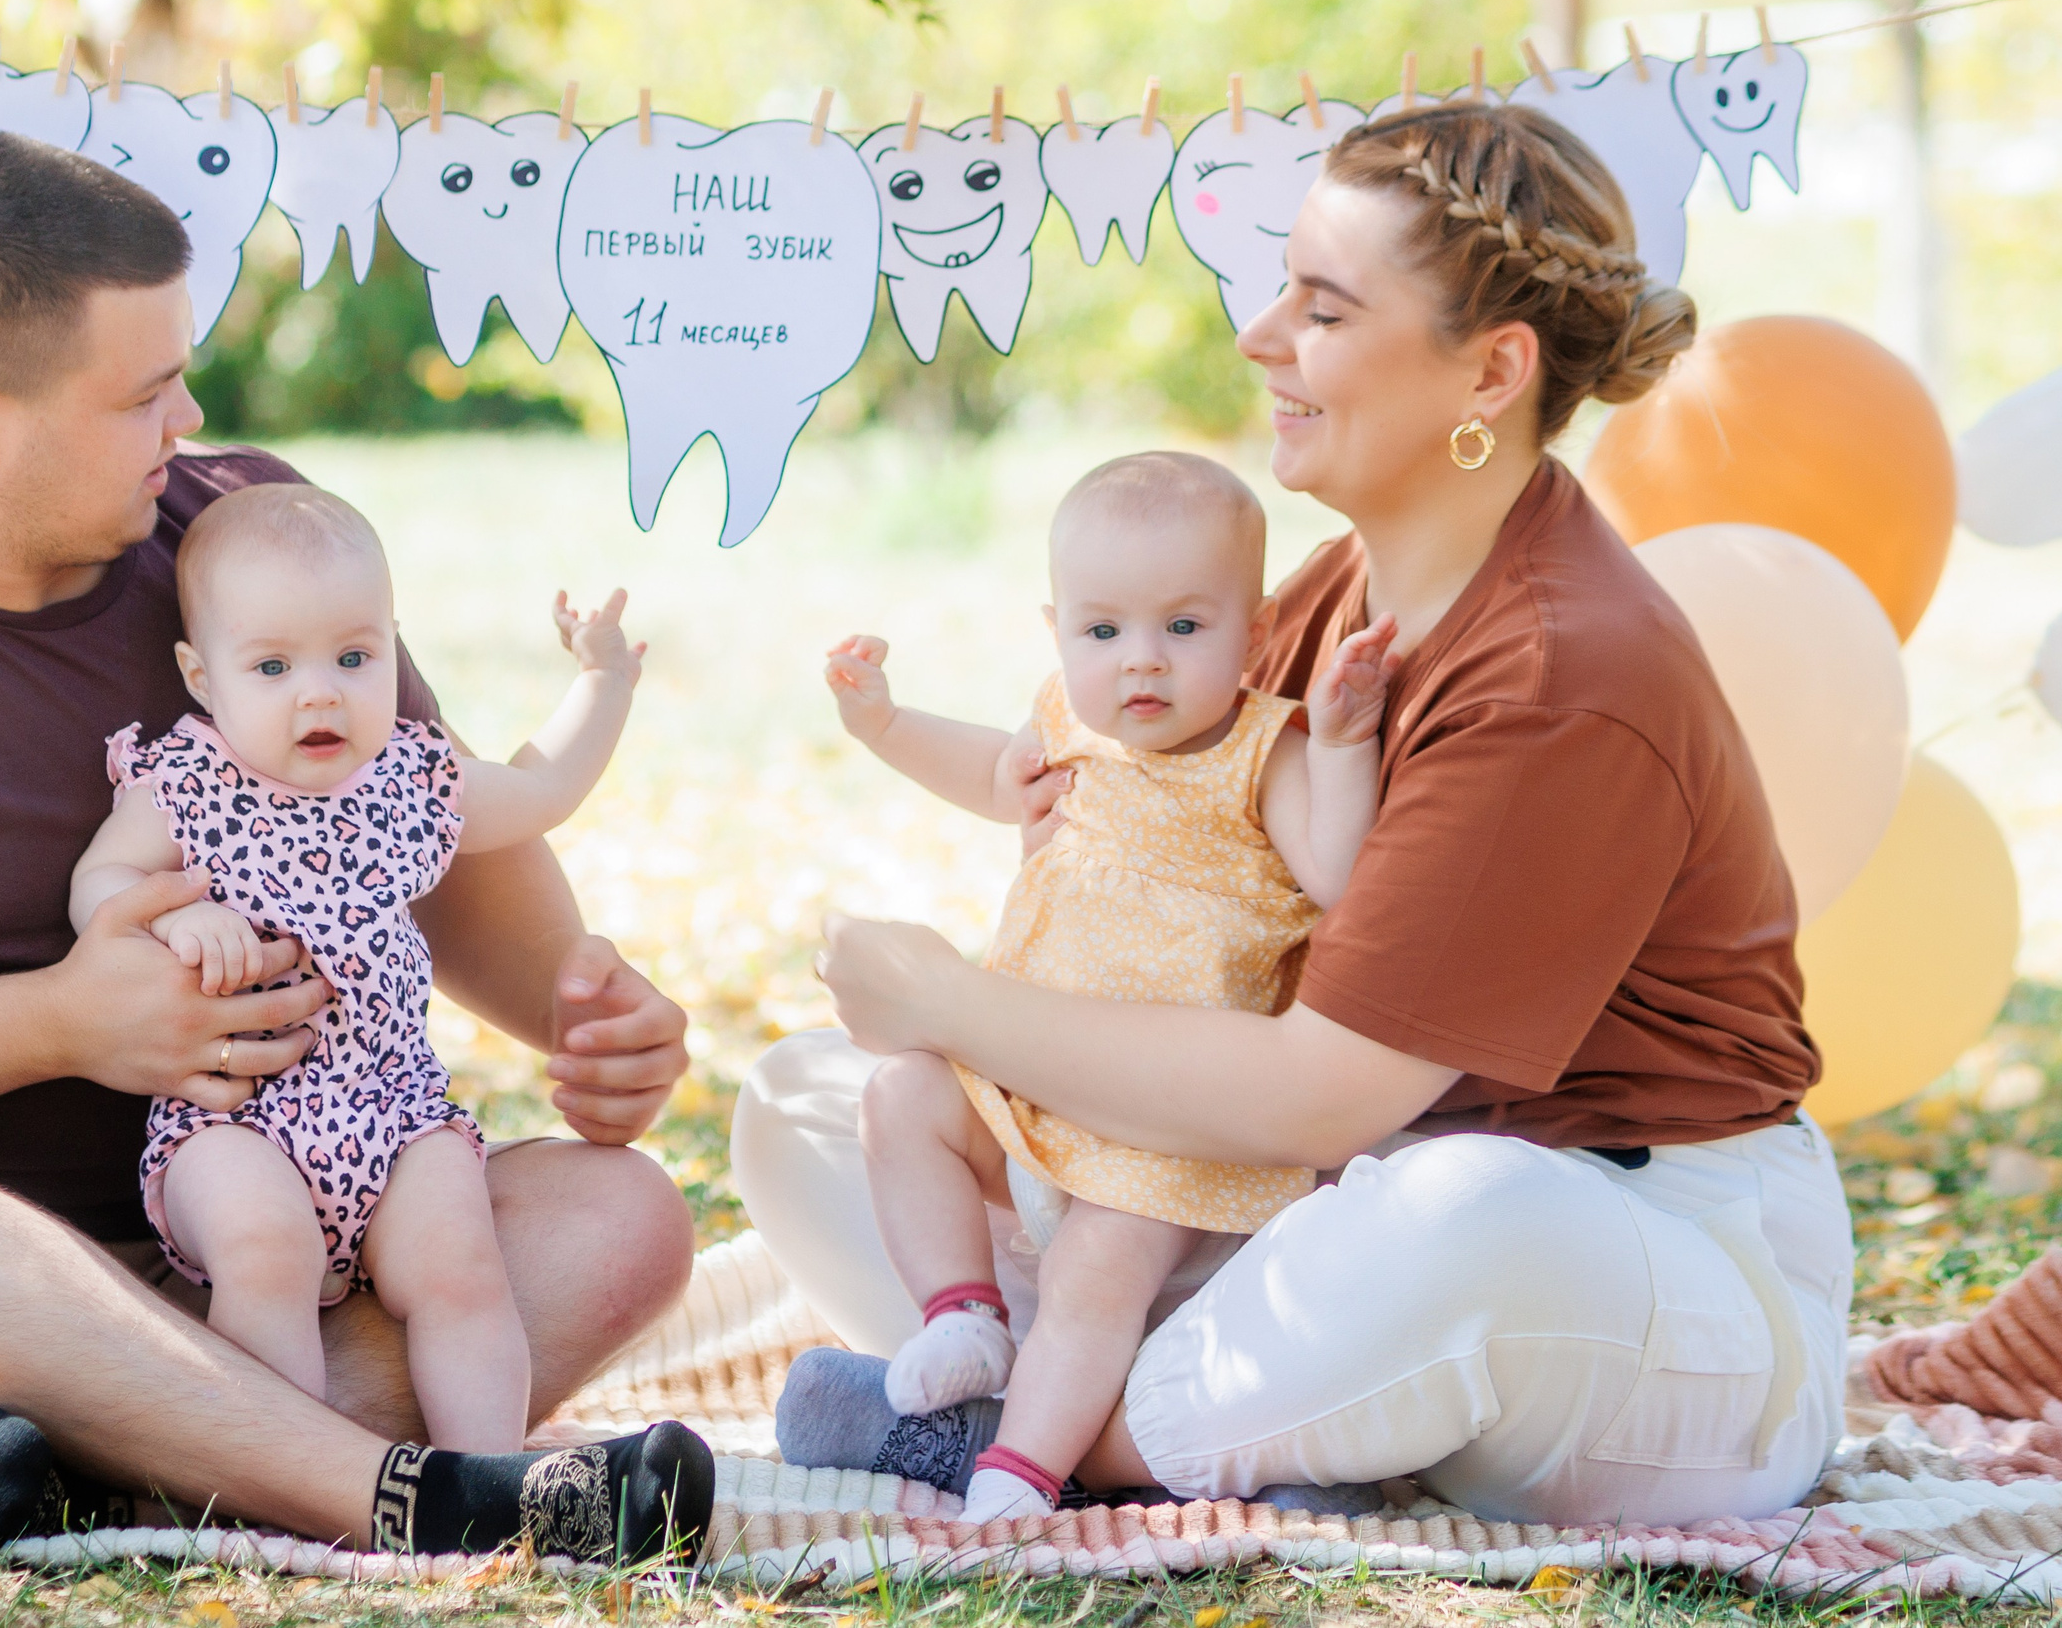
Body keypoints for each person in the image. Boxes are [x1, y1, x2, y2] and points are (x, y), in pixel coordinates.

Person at [0, 130, 710, 1561]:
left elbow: (439, 853)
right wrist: (55, 1022)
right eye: (148, 391)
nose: (191, 417)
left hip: (224, 1248)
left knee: (622, 1216)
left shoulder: (241, 544)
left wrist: (591, 1013)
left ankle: (73, 1467)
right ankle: (391, 1489)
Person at [741, 100, 1852, 1531]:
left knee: (1461, 1216)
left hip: (1627, 1253)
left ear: (1490, 373)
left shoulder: (1564, 674)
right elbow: (1180, 871)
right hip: (1321, 1200)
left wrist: (952, 1000)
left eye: (1321, 309)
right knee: (810, 1103)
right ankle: (1124, 1400)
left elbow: (1326, 1089)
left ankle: (1032, 1431)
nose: (1262, 338)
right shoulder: (1333, 590)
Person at [821, 453, 1396, 1523]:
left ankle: (1018, 1471)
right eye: (1102, 632)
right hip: (1024, 1080)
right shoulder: (1067, 722)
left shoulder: (1265, 750)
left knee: (1096, 1272)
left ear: (1256, 631)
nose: (1141, 663)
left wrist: (1349, 741)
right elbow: (992, 774)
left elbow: (1338, 872)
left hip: (1162, 1133)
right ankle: (963, 1313)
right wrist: (885, 725)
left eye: (1184, 628)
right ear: (1057, 630)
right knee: (899, 1096)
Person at [71, 482, 645, 1442]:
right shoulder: (184, 782)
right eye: (271, 666)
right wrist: (176, 920)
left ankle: (483, 1477)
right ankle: (282, 1477)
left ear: (391, 644)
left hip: (392, 1107)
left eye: (353, 655)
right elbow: (101, 881)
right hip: (234, 1119)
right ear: (202, 676)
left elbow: (543, 787)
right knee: (266, 1252)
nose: (320, 690)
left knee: (459, 1265)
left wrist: (604, 683)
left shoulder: (409, 780)